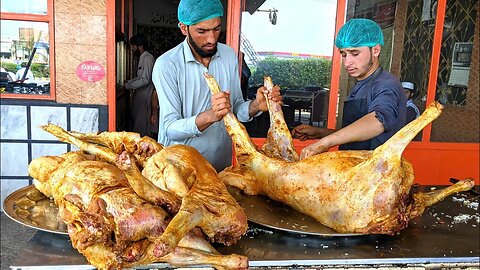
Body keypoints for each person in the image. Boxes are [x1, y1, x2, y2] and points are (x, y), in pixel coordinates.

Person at [151, 0, 282, 172]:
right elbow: (170, 129)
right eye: (202, 31)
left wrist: (255, 106)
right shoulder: (167, 64)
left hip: (221, 167)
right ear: (184, 29)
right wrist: (210, 116)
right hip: (181, 170)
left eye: (216, 29)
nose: (211, 39)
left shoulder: (228, 55)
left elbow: (234, 108)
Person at [292, 18, 406, 159]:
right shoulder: (361, 84)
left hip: (376, 174)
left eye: (355, 53)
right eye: (344, 54)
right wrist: (320, 132)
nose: (347, 62)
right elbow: (357, 137)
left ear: (375, 50)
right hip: (354, 168)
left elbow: (379, 121)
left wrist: (325, 143)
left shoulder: (386, 84)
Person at [123, 33, 156, 137]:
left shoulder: (147, 58)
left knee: (141, 127)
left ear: (140, 46)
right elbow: (139, 78)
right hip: (140, 95)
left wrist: (127, 86)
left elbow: (145, 79)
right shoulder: (143, 57)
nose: (132, 49)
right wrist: (128, 83)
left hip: (145, 96)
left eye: (133, 46)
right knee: (137, 123)